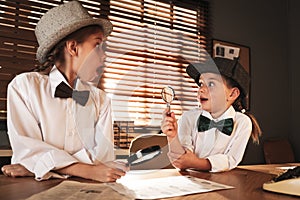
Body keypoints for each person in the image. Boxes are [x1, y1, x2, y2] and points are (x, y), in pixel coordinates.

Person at [1, 1, 128, 182]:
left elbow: (102, 160)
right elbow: (28, 149)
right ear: (73, 48)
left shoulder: (100, 100)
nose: (104, 55)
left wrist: (41, 165)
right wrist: (87, 169)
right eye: (98, 45)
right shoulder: (24, 87)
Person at [161, 57, 262, 172]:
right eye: (200, 84)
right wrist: (172, 136)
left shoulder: (243, 123)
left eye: (211, 84)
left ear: (233, 94)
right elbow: (180, 161)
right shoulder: (188, 118)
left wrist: (198, 163)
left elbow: (230, 160)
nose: (201, 90)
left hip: (223, 183)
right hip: (192, 181)